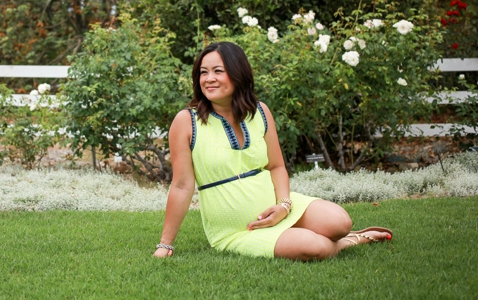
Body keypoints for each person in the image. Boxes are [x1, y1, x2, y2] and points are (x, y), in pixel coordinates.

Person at [154, 42, 391, 261]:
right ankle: (350, 241)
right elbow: (182, 186)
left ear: (238, 73)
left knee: (340, 222)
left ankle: (324, 232)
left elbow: (277, 166)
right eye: (203, 72)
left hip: (276, 206)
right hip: (237, 230)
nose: (209, 79)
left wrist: (284, 206)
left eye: (218, 71)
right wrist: (166, 244)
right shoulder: (187, 121)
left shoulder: (260, 112)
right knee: (315, 247)